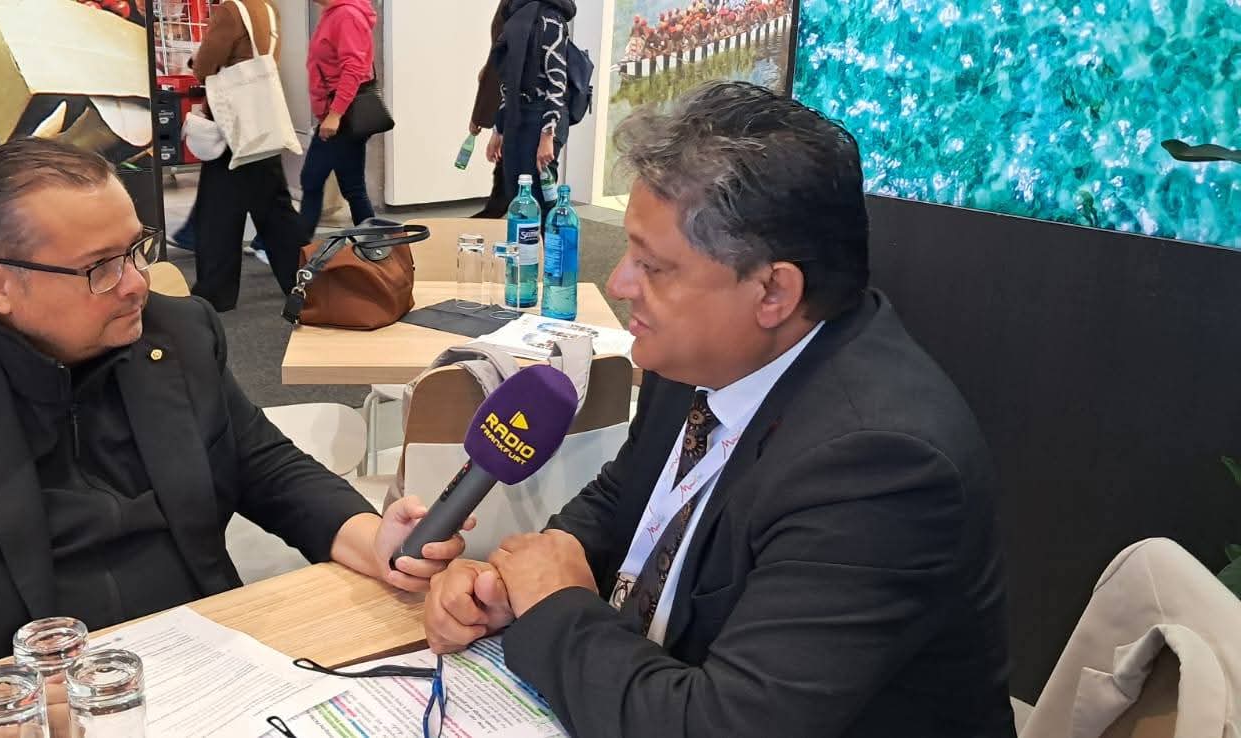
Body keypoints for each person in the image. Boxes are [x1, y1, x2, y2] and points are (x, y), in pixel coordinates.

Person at [0, 138, 469, 725]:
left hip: (202, 672)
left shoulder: (174, 333)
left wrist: (369, 537)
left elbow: (264, 466)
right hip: (14, 697)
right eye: (99, 268)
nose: (135, 284)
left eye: (136, 249)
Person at [424, 82, 1016, 737]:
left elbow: (722, 727)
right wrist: (525, 570)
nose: (619, 283)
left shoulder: (880, 466)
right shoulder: (702, 353)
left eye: (654, 266)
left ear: (773, 292)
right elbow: (629, 495)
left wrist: (552, 604)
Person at [187, 0, 304, 311]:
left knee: (218, 213)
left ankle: (215, 293)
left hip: (233, 127)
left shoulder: (230, 10)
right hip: (261, 123)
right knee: (275, 211)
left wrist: (195, 61)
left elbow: (205, 66)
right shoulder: (268, 10)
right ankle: (302, 281)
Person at [297, 0, 378, 236]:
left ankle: (297, 245)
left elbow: (354, 68)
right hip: (339, 115)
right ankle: (374, 244)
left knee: (312, 179)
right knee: (353, 187)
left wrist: (335, 115)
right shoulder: (333, 14)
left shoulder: (346, 15)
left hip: (342, 117)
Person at [489, 0, 575, 216]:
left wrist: (547, 135)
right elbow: (508, 82)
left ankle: (546, 239)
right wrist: (498, 130)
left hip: (543, 116)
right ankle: (520, 238)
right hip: (516, 115)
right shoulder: (514, 16)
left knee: (539, 193)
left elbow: (557, 82)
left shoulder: (551, 19)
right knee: (514, 193)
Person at [468, 0, 513, 220]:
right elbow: (499, 56)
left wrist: (494, 125)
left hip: (526, 106)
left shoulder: (526, 9)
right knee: (504, 178)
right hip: (511, 102)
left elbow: (507, 64)